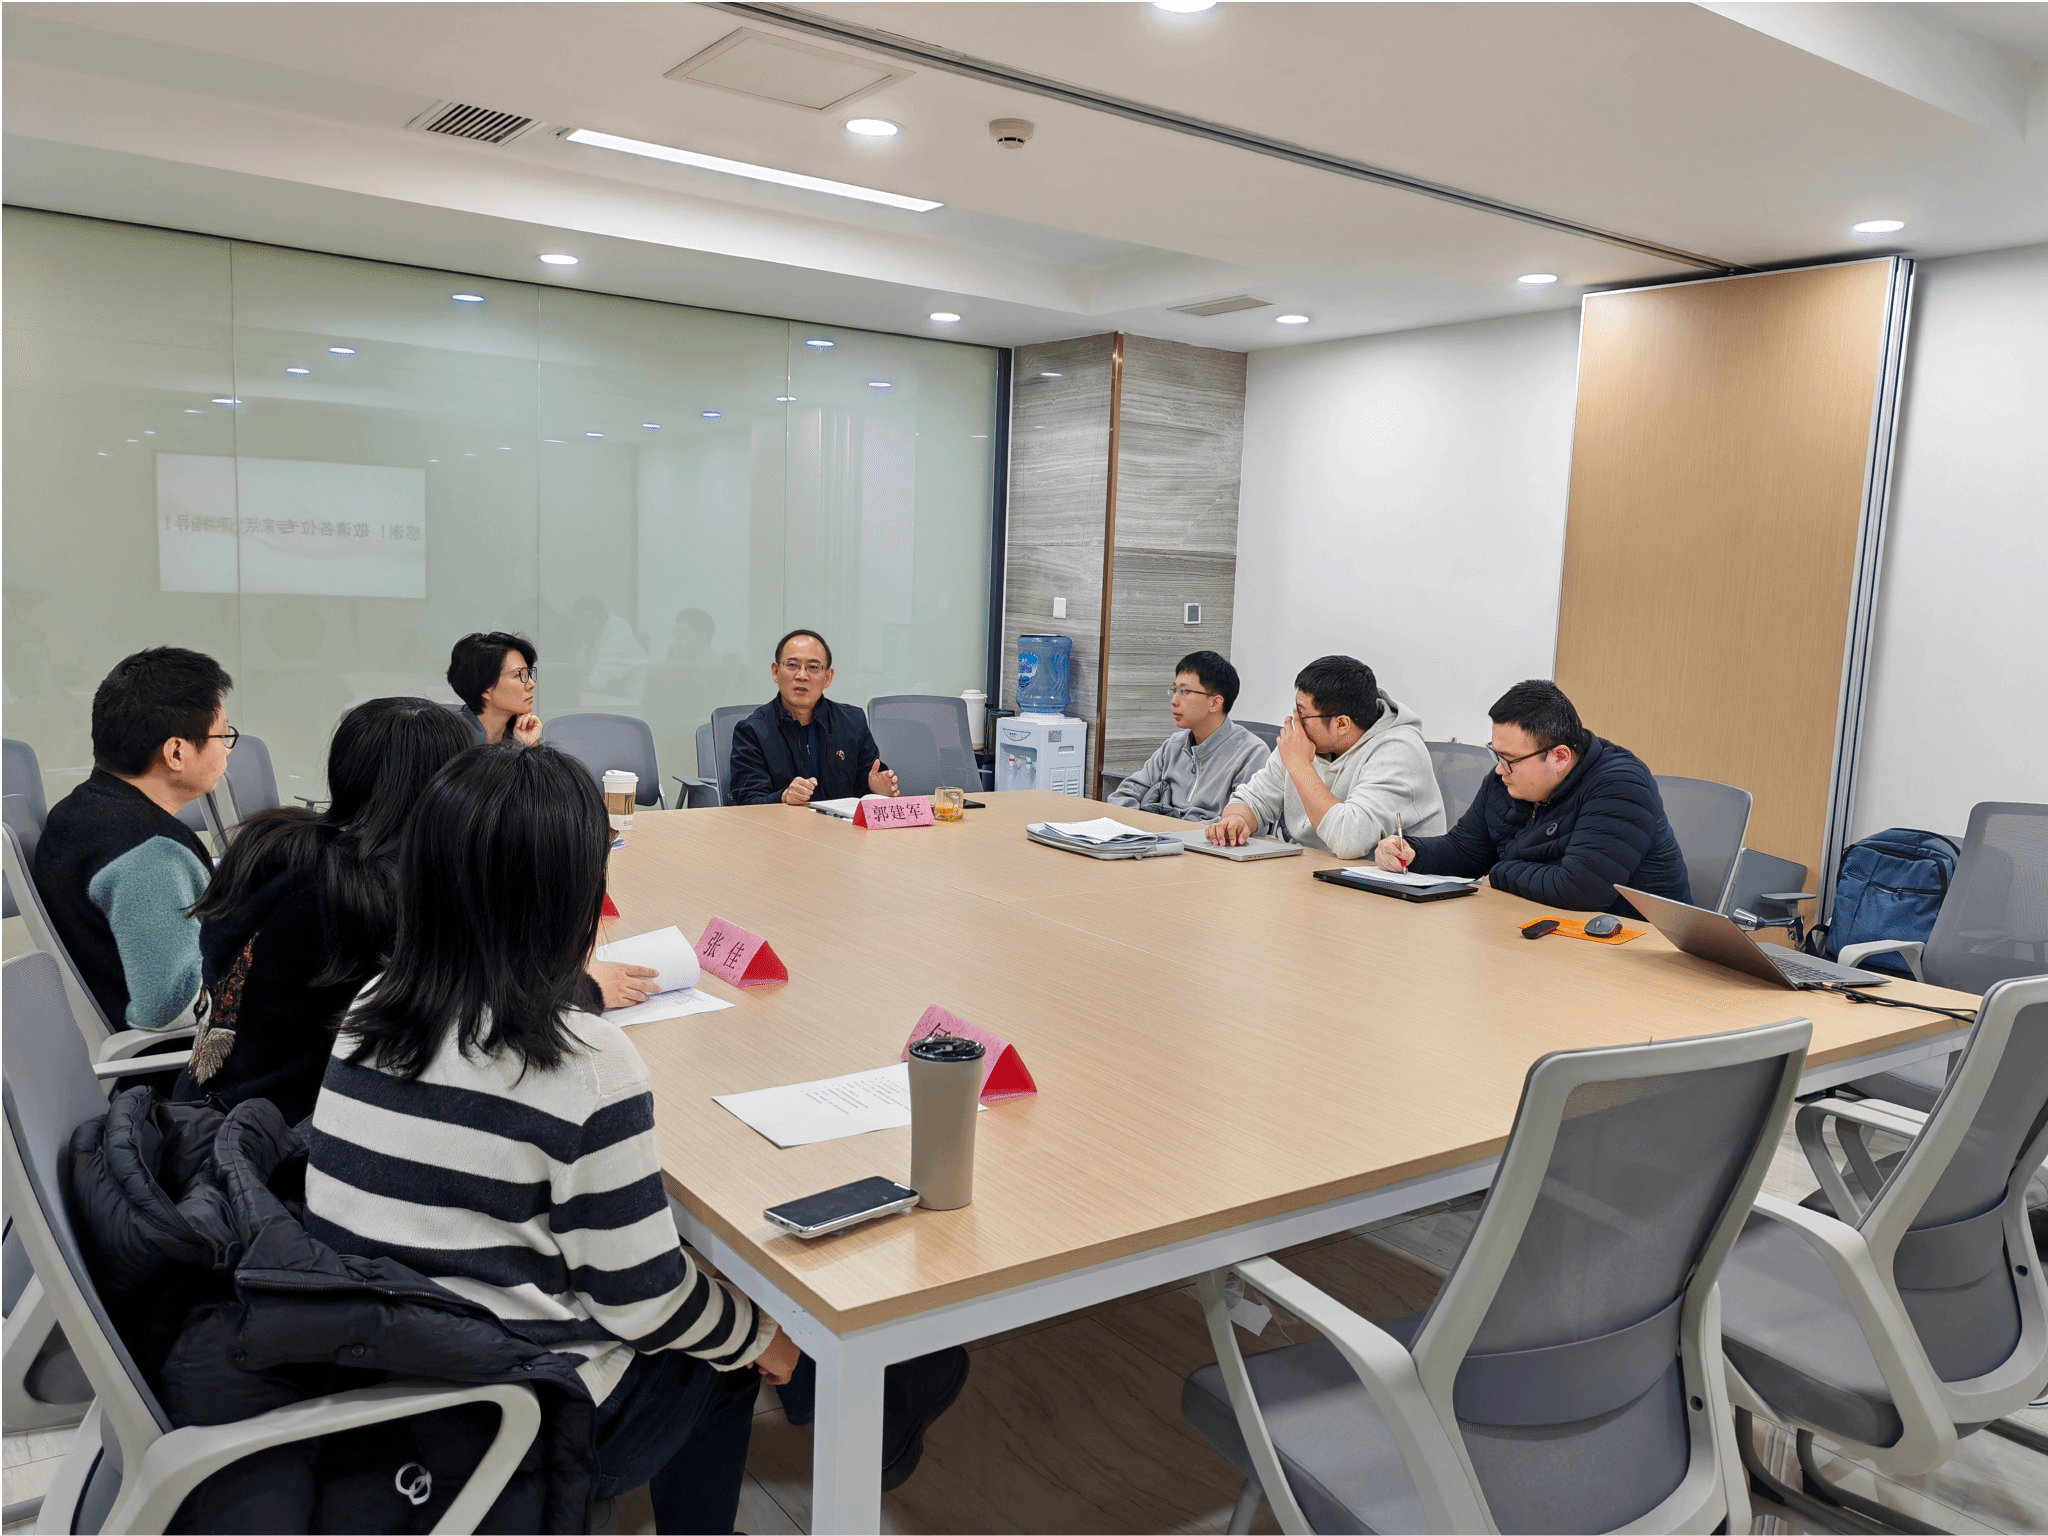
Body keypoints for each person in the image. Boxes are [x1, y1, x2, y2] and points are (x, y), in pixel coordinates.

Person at [303, 742, 800, 1532]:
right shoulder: (585, 1062)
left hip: (369, 1374)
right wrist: (758, 1334)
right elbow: (642, 1303)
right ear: (575, 899)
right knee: (722, 1353)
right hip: (512, 1417)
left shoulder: (373, 1005)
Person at [174, 699, 661, 1122]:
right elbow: (486, 1021)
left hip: (204, 1105)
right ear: (442, 792)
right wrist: (587, 986)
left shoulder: (277, 846)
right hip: (288, 1138)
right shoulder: (375, 896)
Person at [34, 647, 234, 1031]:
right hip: (179, 1058)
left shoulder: (76, 809)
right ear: (176, 752)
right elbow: (173, 1009)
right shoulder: (152, 857)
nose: (227, 749)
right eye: (222, 734)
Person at [1373, 679, 1692, 914]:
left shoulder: (1620, 785)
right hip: (1539, 929)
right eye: (1496, 753)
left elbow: (1581, 890)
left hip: (1633, 949)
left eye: (1509, 758)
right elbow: (1466, 851)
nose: (1499, 769)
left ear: (1560, 757)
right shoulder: (1507, 779)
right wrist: (1412, 851)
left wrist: (1499, 874)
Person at [1209, 655, 1444, 859]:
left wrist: (1299, 766)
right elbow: (1254, 800)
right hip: (1313, 869)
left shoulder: (1399, 751)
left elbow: (1349, 840)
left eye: (1303, 715)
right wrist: (1236, 820)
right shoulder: (1307, 741)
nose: (1295, 721)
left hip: (1387, 883)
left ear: (1341, 724)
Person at [728, 629, 899, 806]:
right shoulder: (752, 731)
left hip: (840, 823)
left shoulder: (853, 722)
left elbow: (866, 786)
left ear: (828, 677)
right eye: (792, 665)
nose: (802, 675)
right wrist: (784, 797)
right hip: (785, 823)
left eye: (813, 667)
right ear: (775, 672)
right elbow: (748, 800)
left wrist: (877, 790)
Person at [1108, 650, 1270, 822]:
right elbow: (1124, 794)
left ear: (1215, 703)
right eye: (1174, 690)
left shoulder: (1251, 753)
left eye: (1184, 691)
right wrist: (1143, 826)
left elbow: (1243, 823)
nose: (1174, 701)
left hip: (1205, 838)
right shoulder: (1173, 746)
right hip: (1160, 834)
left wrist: (1174, 831)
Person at [447, 631, 543, 745]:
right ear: (485, 688)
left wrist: (529, 746)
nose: (531, 684)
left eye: (527, 673)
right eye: (518, 675)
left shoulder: (517, 732)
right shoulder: (451, 739)